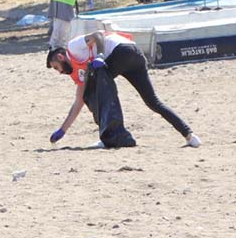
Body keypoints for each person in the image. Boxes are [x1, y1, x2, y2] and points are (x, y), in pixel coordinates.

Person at [47, 30, 200, 149]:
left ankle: (111, 137)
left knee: (96, 88)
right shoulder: (77, 74)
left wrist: (100, 55)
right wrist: (62, 130)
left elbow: (98, 35)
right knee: (153, 102)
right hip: (135, 55)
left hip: (124, 51)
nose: (59, 72)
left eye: (56, 68)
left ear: (61, 57)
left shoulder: (73, 47)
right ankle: (189, 135)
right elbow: (79, 101)